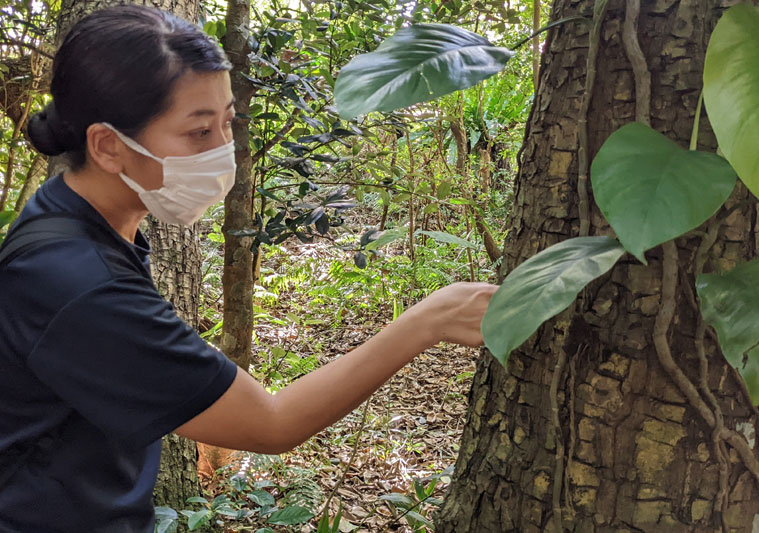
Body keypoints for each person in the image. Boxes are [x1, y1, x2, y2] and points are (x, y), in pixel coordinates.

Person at [0, 5, 497, 532]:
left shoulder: (69, 213)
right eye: (197, 133)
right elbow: (272, 424)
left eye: (227, 121)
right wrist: (428, 319)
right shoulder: (78, 279)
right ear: (107, 145)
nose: (223, 149)